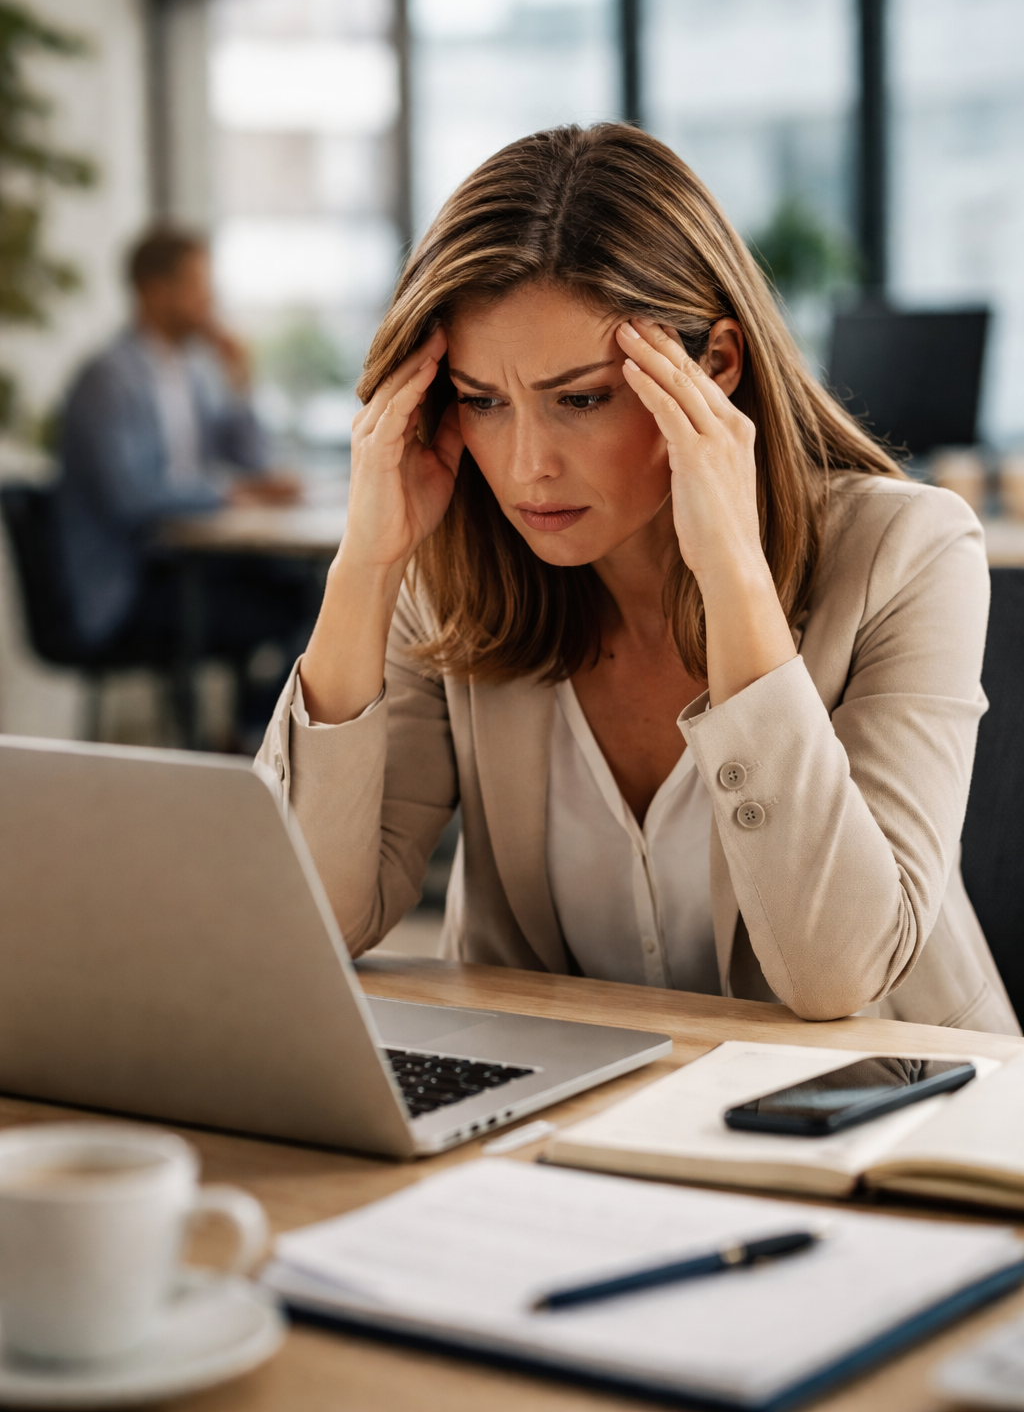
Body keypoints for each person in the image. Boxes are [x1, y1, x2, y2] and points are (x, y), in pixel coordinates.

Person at [258, 124, 1018, 1034]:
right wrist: (367, 566)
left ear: (715, 367)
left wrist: (733, 573)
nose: (527, 465)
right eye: (483, 402)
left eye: (581, 399)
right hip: (567, 1123)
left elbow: (836, 973)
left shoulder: (911, 553)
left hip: (885, 1124)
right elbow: (311, 924)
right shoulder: (459, 575)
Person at [56, 228, 311, 737]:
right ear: (154, 290)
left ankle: (251, 732)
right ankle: (253, 734)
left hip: (187, 566)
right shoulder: (108, 378)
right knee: (294, 606)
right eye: (198, 287)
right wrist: (227, 494)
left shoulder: (190, 372)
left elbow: (248, 460)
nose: (209, 302)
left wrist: (240, 383)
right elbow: (130, 498)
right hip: (130, 586)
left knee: (306, 588)